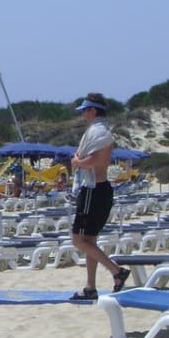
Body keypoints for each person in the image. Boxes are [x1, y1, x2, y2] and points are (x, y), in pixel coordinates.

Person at [69, 93, 130, 301]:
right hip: (99, 189)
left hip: (93, 189)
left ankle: (116, 271)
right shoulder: (101, 131)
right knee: (89, 240)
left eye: (85, 110)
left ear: (93, 110)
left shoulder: (98, 132)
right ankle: (90, 286)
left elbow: (93, 160)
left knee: (78, 240)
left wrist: (77, 162)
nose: (83, 114)